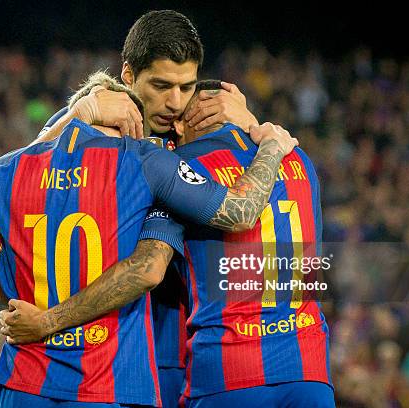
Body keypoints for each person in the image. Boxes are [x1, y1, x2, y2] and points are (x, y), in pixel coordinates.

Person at [0, 71, 296, 407]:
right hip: (106, 384)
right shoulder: (142, 162)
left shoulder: (4, 171)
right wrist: (270, 144)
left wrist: (42, 283)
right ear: (130, 120)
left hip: (20, 383)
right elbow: (238, 213)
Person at [32, 11, 260, 408]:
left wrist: (253, 129)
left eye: (185, 87)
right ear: (129, 75)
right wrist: (79, 113)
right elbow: (23, 176)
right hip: (83, 354)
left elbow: (266, 224)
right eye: (160, 85)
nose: (174, 102)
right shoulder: (89, 124)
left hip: (177, 359)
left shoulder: (200, 138)